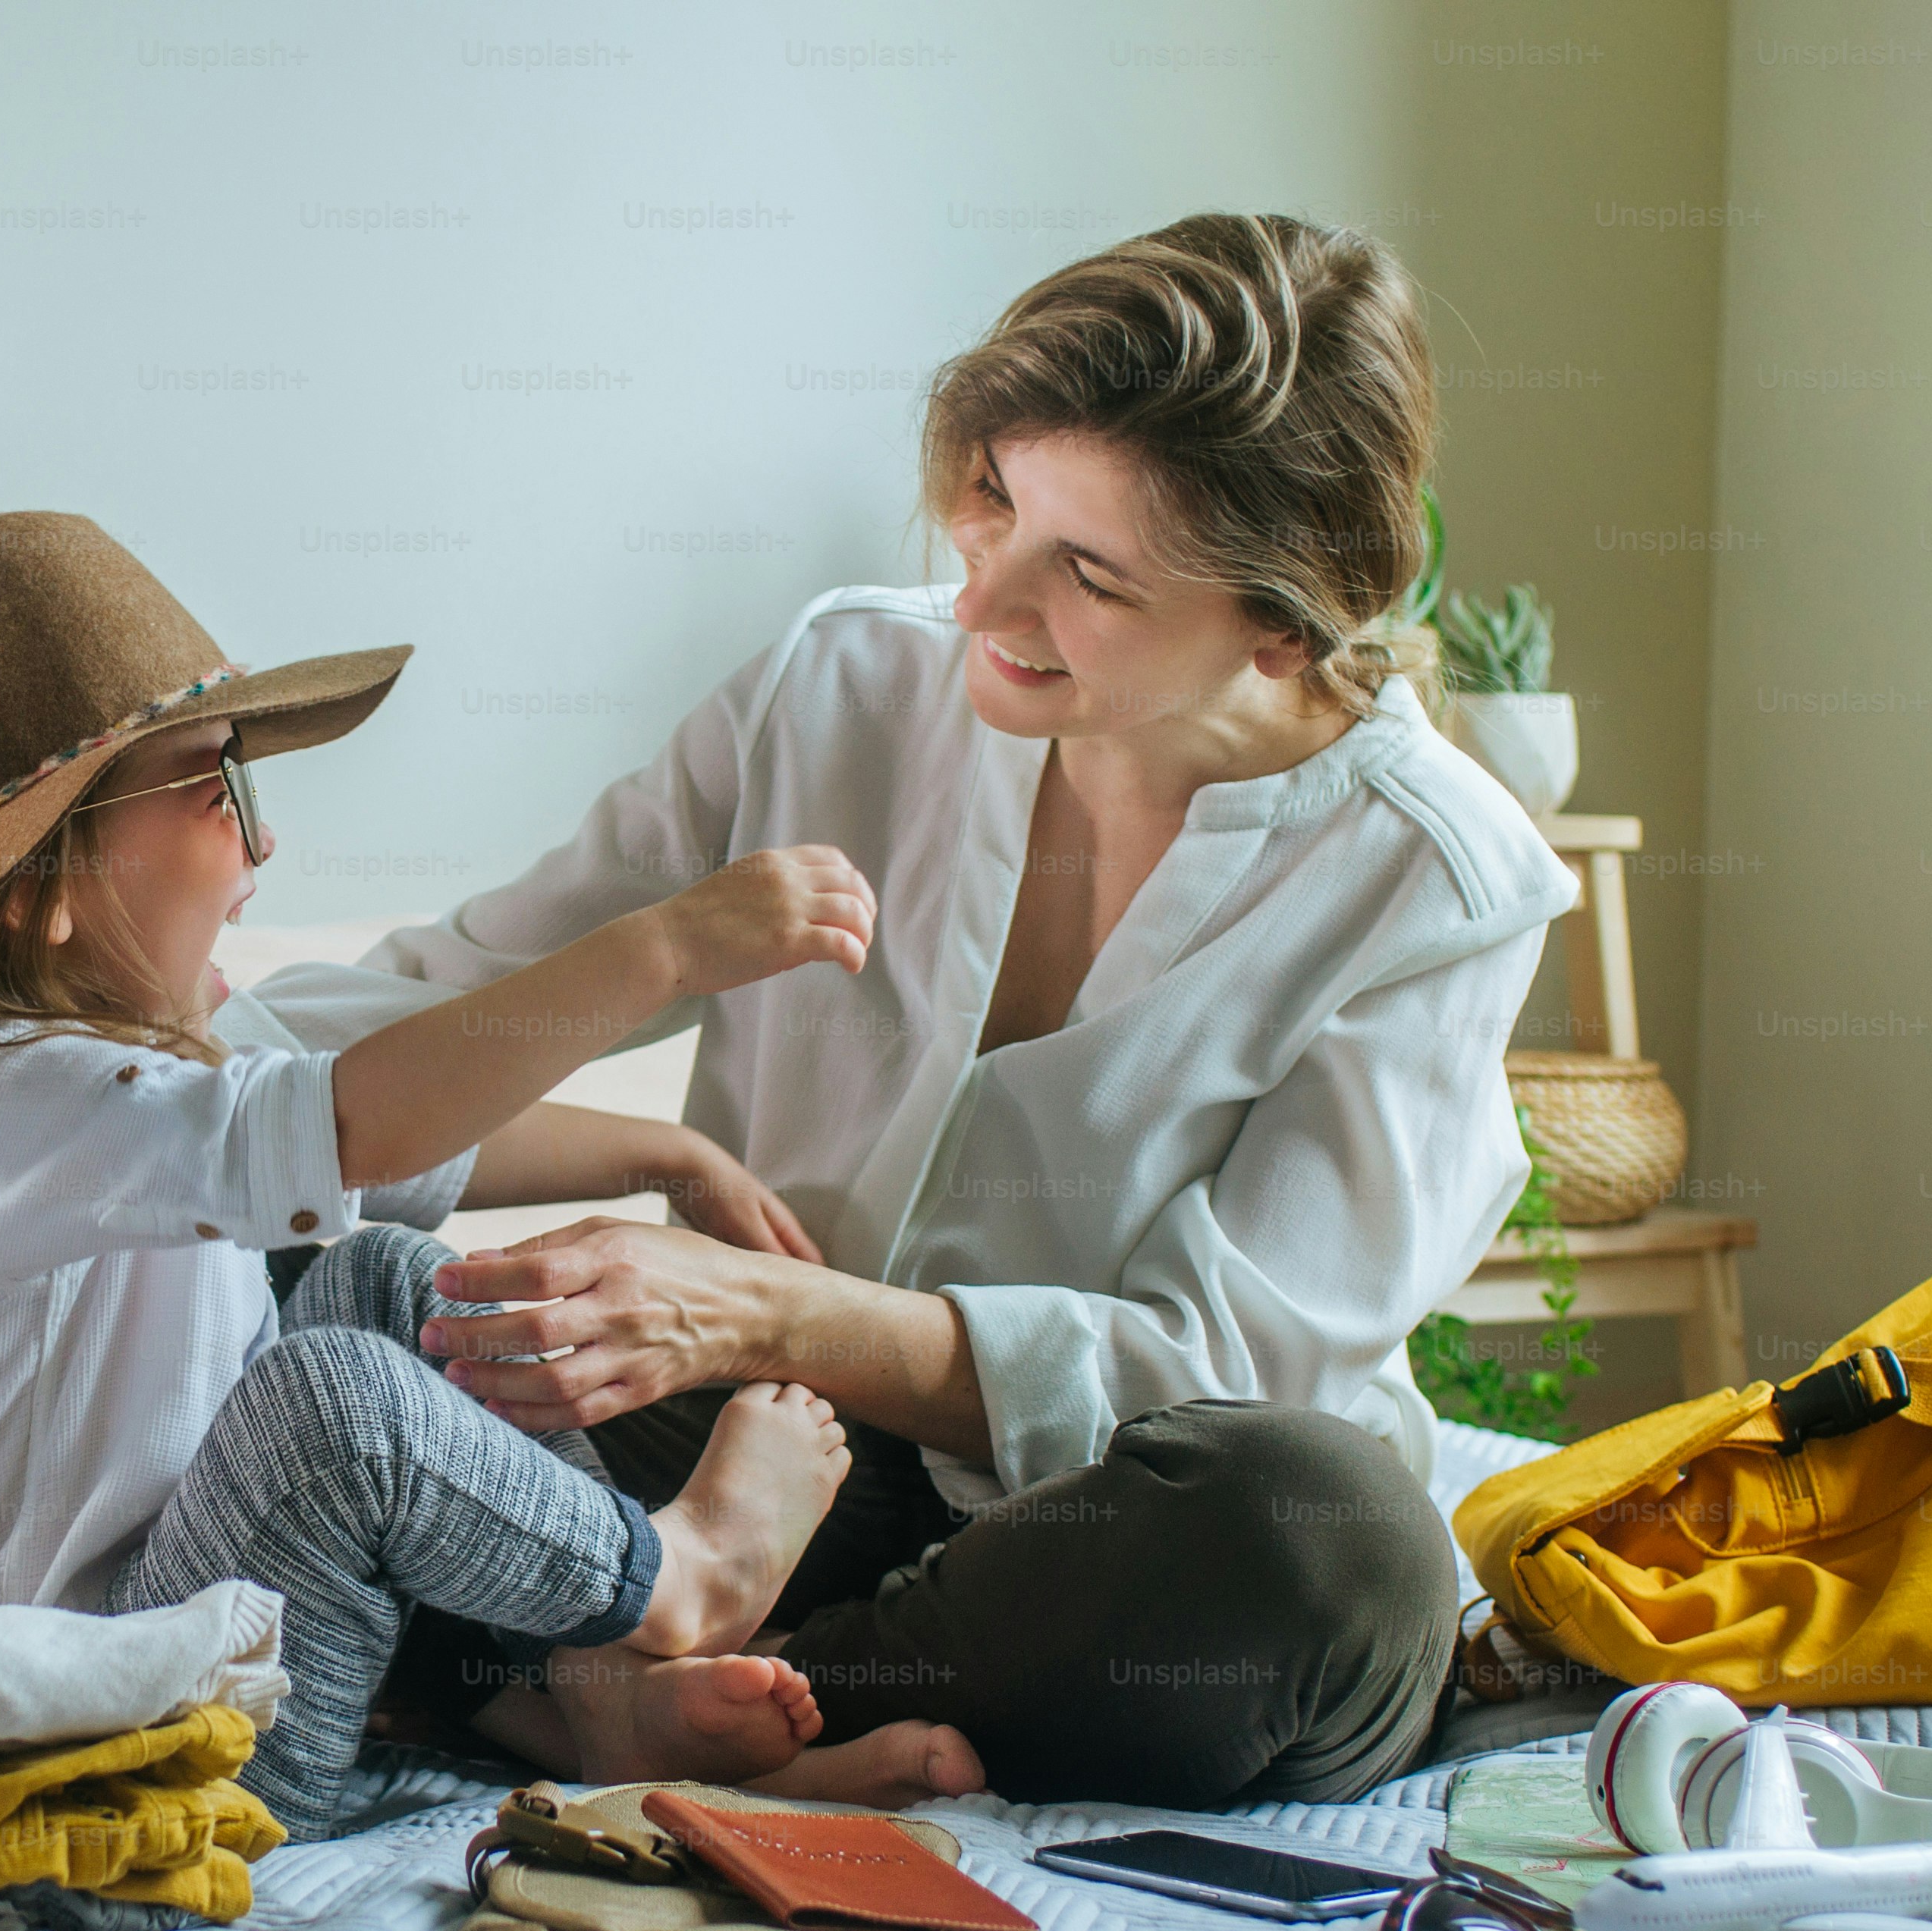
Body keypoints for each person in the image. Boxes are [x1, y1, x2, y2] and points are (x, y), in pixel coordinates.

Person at [254, 212, 1586, 1808]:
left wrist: (760, 1309)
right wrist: (132, 1061)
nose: (980, 601)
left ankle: (591, 1685)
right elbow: (452, 999)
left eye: (1082, 573)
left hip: (1092, 1543)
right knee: (305, 1284)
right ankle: (640, 1682)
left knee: (1326, 1535)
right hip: (750, 1470)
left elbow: (1216, 1370)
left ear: (1278, 624)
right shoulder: (834, 685)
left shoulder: (1435, 879)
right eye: (991, 503)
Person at [0, 510, 980, 1839]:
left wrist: (673, 1152)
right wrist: (661, 951)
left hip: (177, 1645)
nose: (262, 850)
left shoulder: (78, 1082)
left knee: (389, 1285)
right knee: (332, 1407)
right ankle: (670, 1577)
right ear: (45, 892)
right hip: (107, 1750)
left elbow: (404, 1153)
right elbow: (357, 1122)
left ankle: (597, 1693)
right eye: (219, 791)